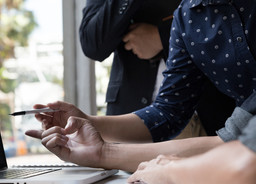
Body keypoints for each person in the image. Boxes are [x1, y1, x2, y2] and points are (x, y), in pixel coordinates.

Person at [25, 0, 256, 184]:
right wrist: (89, 123)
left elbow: (241, 154)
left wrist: (171, 170)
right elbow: (169, 111)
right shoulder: (188, 15)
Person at [79, 0, 235, 138]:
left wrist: (163, 36)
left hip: (210, 112)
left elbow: (230, 17)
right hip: (131, 117)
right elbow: (92, 45)